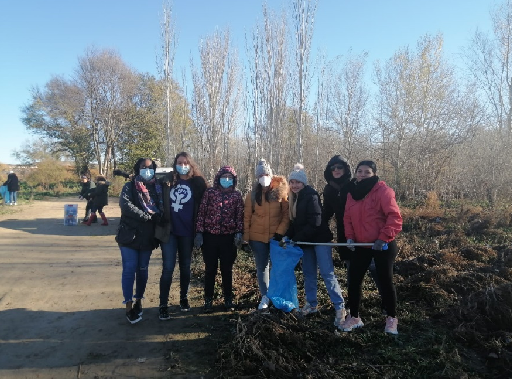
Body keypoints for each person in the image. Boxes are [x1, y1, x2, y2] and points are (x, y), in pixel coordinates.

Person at [341, 160, 402, 335]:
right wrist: (350, 238)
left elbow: (394, 217)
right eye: (359, 171)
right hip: (361, 245)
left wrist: (383, 238)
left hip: (382, 245)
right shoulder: (352, 193)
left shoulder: (383, 191)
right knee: (354, 280)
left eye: (367, 172)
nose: (362, 175)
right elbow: (347, 218)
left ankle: (391, 318)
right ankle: (354, 317)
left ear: (374, 174)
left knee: (385, 280)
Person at [283, 164, 346, 327]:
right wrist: (287, 236)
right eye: (292, 182)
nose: (295, 185)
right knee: (308, 273)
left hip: (320, 240)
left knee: (327, 273)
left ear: (304, 183)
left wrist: (297, 238)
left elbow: (316, 222)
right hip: (306, 242)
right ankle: (311, 304)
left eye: (298, 182)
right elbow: (295, 223)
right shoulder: (293, 198)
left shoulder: (311, 196)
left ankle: (340, 307)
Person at [157, 152, 207, 320]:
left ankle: (184, 298)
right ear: (175, 164)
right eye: (180, 162)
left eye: (186, 163)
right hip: (170, 232)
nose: (183, 165)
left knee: (185, 267)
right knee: (168, 268)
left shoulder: (197, 183)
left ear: (191, 164)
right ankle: (163, 304)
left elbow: (206, 204)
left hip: (188, 232)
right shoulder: (167, 181)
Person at [117, 157, 163, 324]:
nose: (147, 170)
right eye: (143, 167)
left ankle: (138, 301)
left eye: (150, 168)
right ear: (138, 169)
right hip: (129, 236)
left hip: (147, 237)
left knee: (142, 270)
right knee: (129, 268)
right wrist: (145, 216)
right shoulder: (129, 186)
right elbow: (125, 205)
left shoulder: (157, 188)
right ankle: (128, 306)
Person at [195, 166, 244, 312]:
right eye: (224, 177)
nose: (227, 180)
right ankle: (208, 300)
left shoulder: (236, 195)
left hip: (228, 239)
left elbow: (239, 216)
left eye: (230, 177)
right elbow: (202, 213)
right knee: (210, 270)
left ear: (234, 180)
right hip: (210, 237)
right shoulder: (209, 193)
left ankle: (228, 300)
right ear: (218, 178)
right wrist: (199, 232)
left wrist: (239, 233)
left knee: (227, 270)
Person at [243, 159, 289, 310]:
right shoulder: (252, 195)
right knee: (262, 268)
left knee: (277, 268)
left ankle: (278, 296)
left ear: (270, 174)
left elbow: (286, 215)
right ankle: (265, 297)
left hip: (275, 238)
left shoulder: (281, 193)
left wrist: (280, 232)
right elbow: (247, 217)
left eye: (265, 174)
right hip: (257, 239)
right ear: (257, 177)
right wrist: (245, 239)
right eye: (260, 175)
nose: (263, 177)